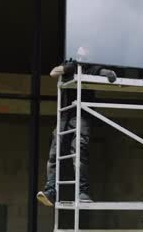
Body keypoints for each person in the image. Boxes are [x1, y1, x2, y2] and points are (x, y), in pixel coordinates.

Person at [37, 61, 116, 207]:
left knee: (79, 150)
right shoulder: (69, 65)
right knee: (54, 153)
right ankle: (51, 191)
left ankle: (82, 192)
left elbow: (105, 73)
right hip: (65, 115)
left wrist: (110, 74)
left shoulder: (91, 67)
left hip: (82, 115)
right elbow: (53, 72)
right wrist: (68, 68)